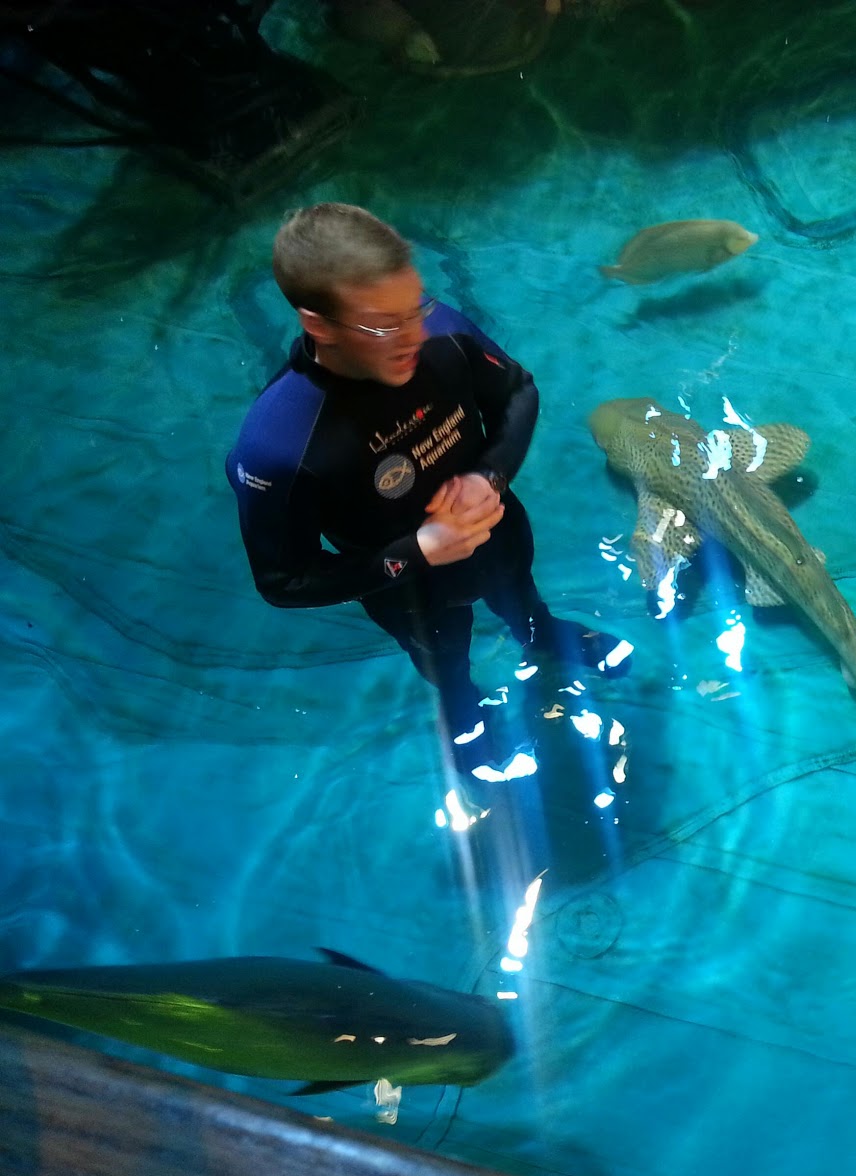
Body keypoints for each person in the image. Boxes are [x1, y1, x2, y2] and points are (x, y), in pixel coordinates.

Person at [226, 202, 628, 770]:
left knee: (521, 594)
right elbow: (283, 580)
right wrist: (413, 553)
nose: (414, 334)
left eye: (414, 307)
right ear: (318, 323)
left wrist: (489, 477)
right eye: (384, 324)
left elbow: (518, 392)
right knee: (446, 659)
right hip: (408, 591)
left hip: (499, 532)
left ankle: (540, 632)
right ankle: (464, 711)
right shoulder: (282, 444)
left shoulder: (444, 335)